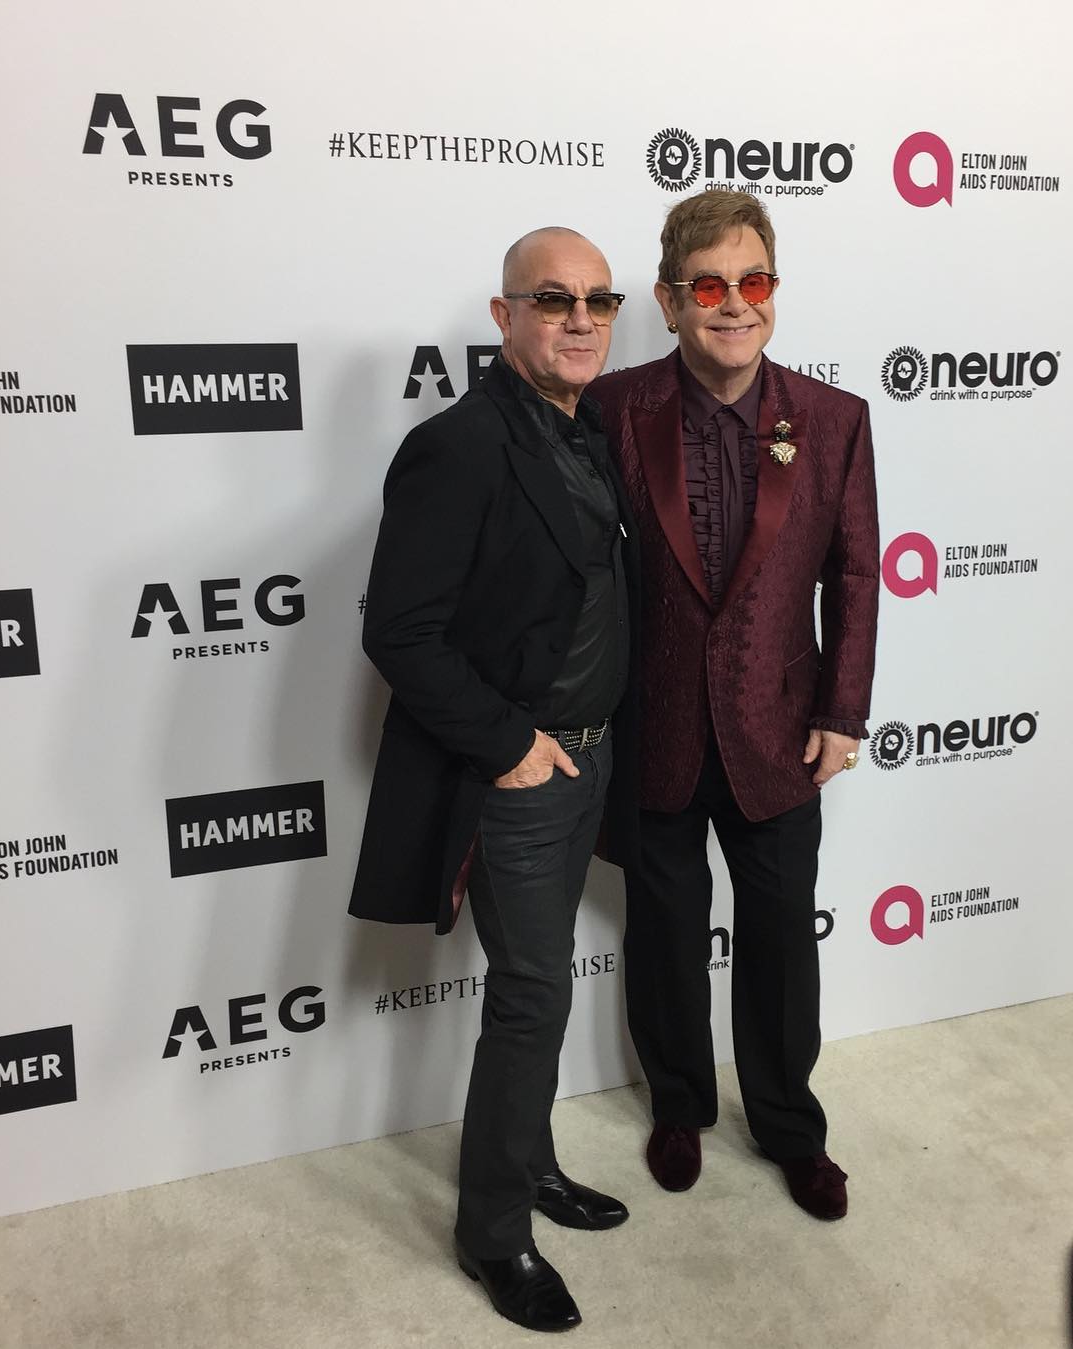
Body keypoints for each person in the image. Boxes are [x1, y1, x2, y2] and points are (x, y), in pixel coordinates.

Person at [349, 227, 638, 1332]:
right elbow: (400, 631)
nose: (581, 319)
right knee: (532, 996)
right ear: (503, 314)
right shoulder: (458, 445)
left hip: (592, 758)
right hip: (520, 772)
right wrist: (510, 745)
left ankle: (533, 1163)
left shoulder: (591, 428)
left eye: (599, 300)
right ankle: (494, 1232)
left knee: (540, 989)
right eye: (553, 299)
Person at [592, 189, 879, 1220]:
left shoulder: (835, 419)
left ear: (774, 291)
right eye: (708, 286)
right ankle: (679, 1106)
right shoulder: (611, 408)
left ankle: (791, 1127)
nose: (735, 304)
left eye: (753, 281)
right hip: (654, 728)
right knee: (665, 937)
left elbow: (855, 574)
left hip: (780, 732)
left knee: (780, 942)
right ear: (669, 301)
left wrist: (843, 713)